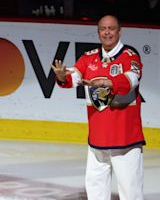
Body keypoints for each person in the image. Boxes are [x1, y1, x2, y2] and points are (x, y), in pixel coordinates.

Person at [51, 15, 145, 199]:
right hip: (97, 141)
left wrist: (107, 82)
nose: (107, 32)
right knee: (96, 192)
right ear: (98, 32)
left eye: (111, 28)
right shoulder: (89, 58)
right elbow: (74, 77)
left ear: (119, 31)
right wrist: (62, 77)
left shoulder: (129, 56)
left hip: (125, 141)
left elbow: (132, 79)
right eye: (103, 29)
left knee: (131, 194)